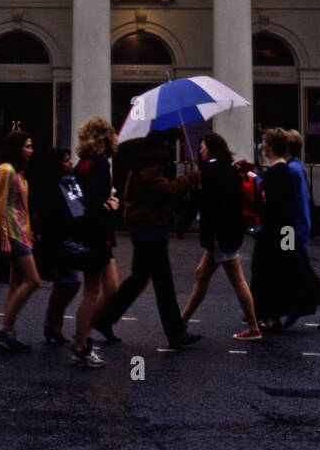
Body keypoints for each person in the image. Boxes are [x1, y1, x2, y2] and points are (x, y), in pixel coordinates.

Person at [93, 133, 201, 351]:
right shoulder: (146, 172)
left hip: (147, 230)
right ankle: (175, 332)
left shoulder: (148, 169)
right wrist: (191, 179)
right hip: (149, 231)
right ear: (151, 150)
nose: (167, 152)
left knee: (138, 280)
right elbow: (168, 191)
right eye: (164, 148)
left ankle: (105, 319)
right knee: (163, 283)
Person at [252, 128, 320, 332]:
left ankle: (307, 308)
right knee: (299, 269)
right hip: (294, 227)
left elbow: (293, 203)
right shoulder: (294, 166)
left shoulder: (290, 169)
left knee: (297, 269)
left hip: (291, 229)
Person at [179, 131, 262, 341]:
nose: (200, 149)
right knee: (201, 275)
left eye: (203, 146)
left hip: (219, 235)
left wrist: (182, 223)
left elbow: (200, 203)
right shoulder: (229, 169)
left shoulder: (210, 170)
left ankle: (253, 327)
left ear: (212, 148)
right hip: (228, 232)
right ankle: (182, 320)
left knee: (237, 280)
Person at [73, 116, 121, 347]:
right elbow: (93, 200)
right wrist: (108, 205)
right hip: (97, 232)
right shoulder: (100, 162)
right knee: (91, 291)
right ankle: (82, 343)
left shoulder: (82, 163)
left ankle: (85, 333)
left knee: (111, 287)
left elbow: (80, 198)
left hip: (94, 232)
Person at [0, 131, 39, 353]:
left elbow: (22, 208)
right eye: (27, 146)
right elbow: (0, 205)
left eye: (31, 146)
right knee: (33, 281)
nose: (31, 150)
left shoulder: (19, 173)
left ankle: (8, 333)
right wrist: (2, 237)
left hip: (22, 233)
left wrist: (30, 233)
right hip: (12, 234)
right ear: (17, 148)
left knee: (15, 283)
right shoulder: (6, 171)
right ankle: (3, 326)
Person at [34, 147, 84, 349]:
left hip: (65, 239)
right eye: (65, 161)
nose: (70, 163)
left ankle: (53, 325)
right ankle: (53, 324)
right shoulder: (52, 186)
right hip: (57, 241)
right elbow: (50, 216)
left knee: (62, 284)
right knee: (71, 282)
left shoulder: (69, 182)